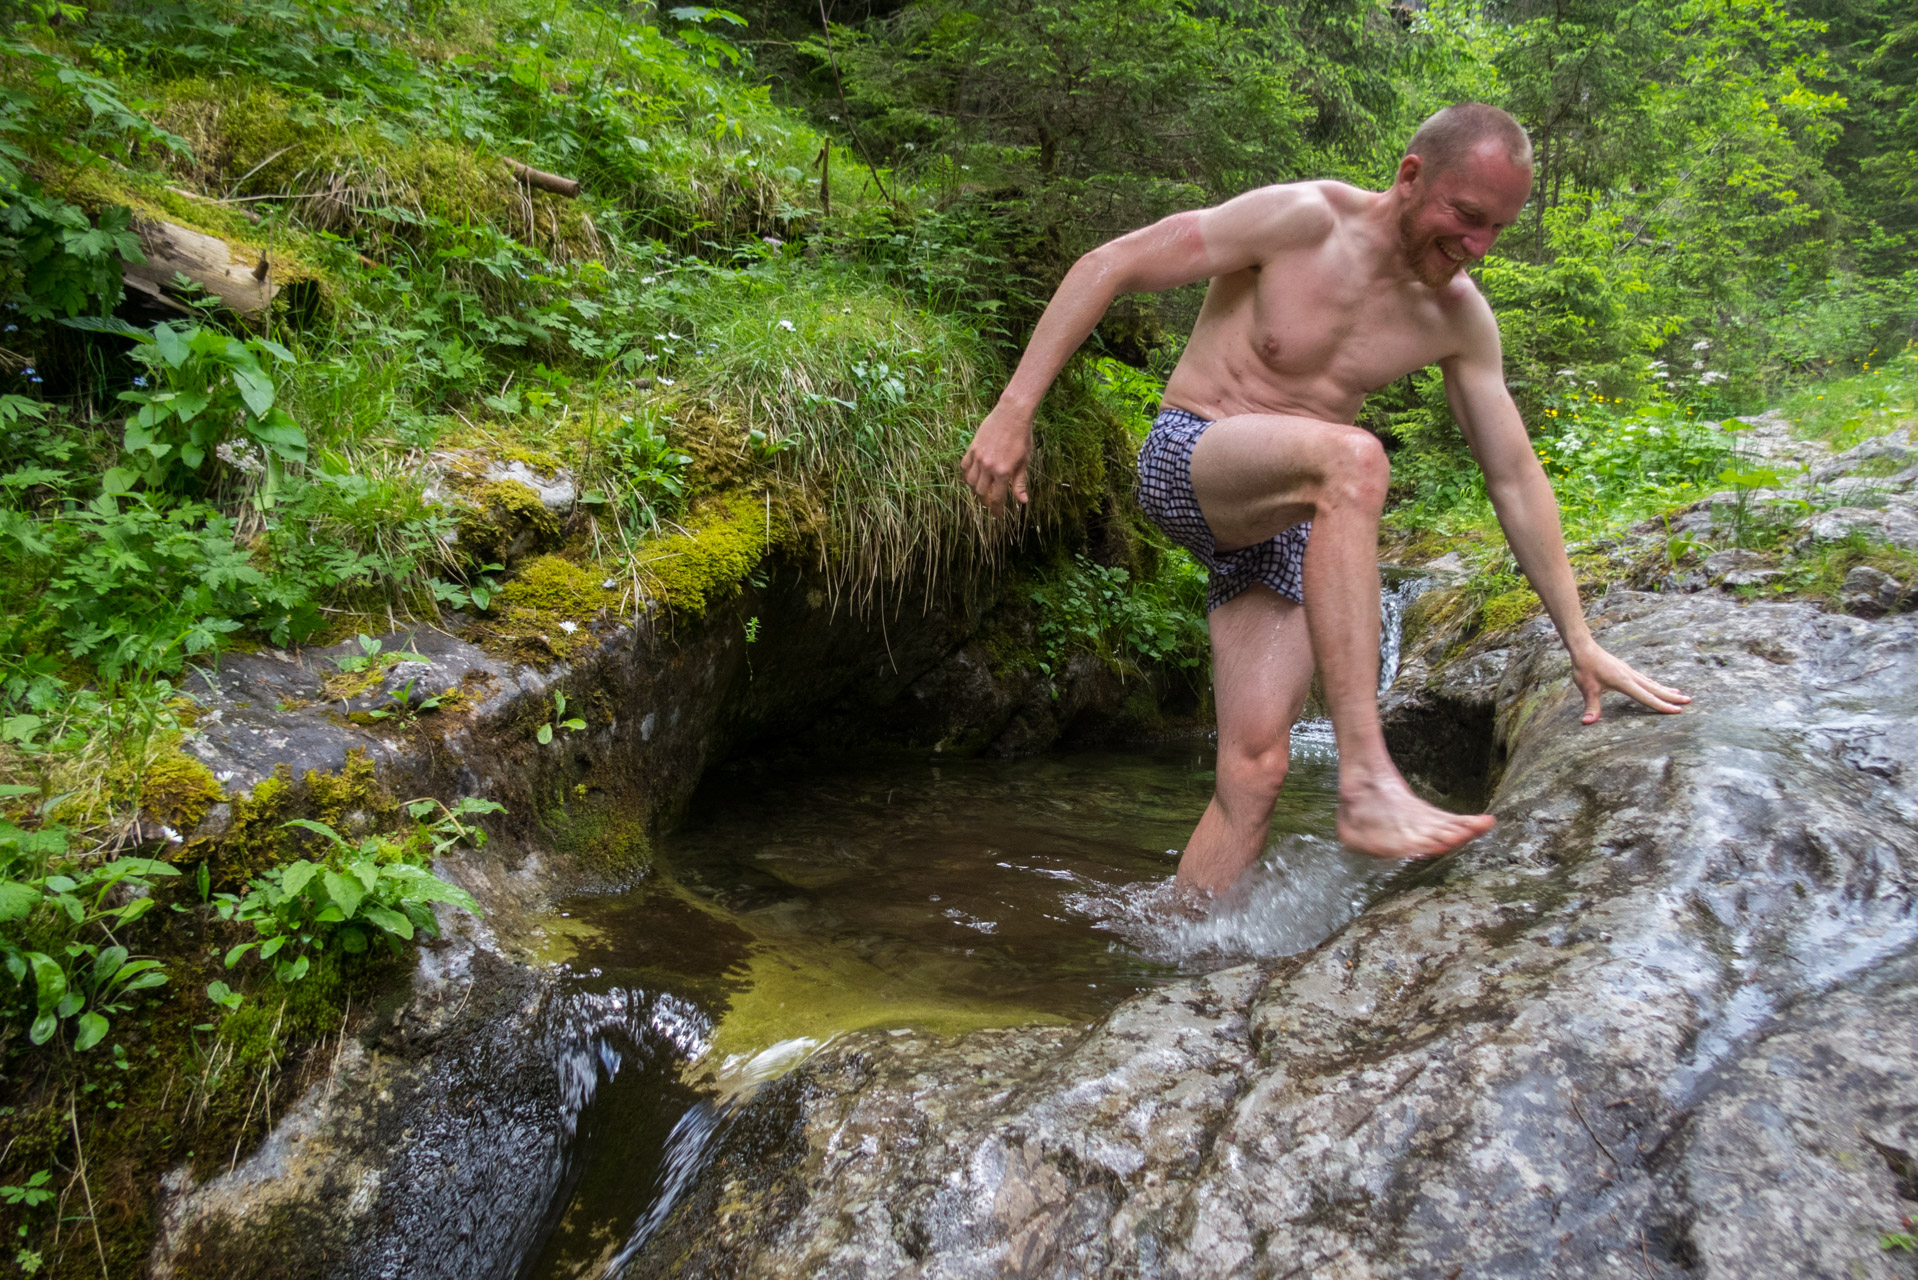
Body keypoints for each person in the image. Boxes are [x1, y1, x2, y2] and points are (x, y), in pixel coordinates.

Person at [960, 102, 1690, 900]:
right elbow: (1113, 260)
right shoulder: (1301, 220)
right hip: (1190, 456)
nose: (1477, 245)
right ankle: (1366, 775)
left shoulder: (1458, 318)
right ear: (1411, 176)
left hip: (1290, 520)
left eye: (1497, 230)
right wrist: (1014, 408)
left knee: (1257, 768)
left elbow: (1514, 474)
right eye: (1466, 215)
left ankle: (1187, 952)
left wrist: (1579, 638)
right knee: (1354, 459)